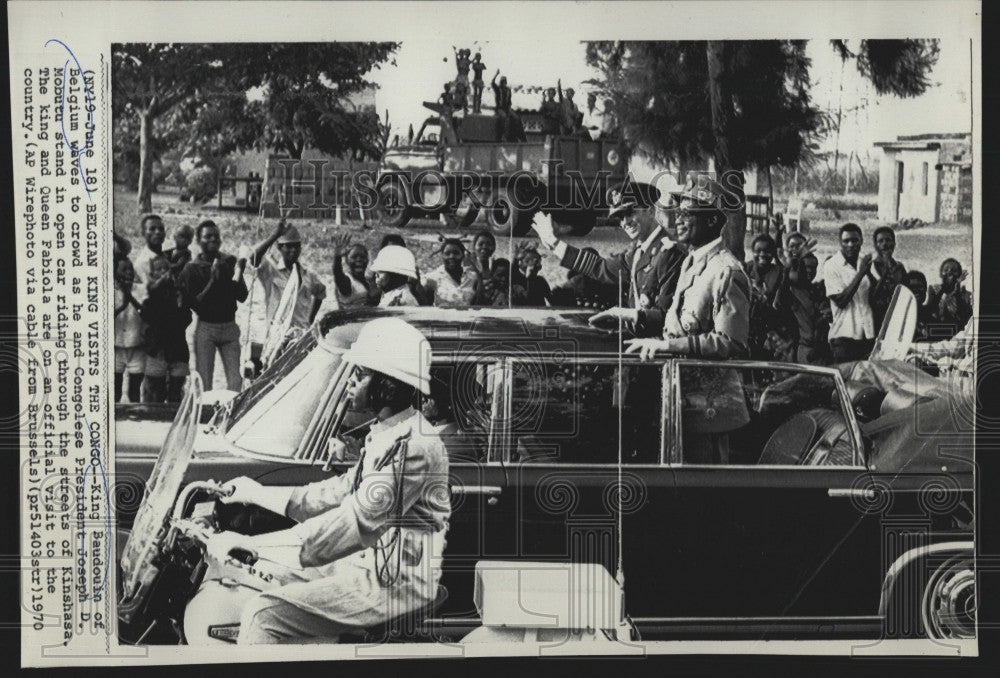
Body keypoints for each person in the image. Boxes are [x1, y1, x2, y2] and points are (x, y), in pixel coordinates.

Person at [207, 318, 450, 644]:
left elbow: (358, 521)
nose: (351, 380)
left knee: (264, 614)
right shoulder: (389, 432)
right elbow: (340, 492)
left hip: (395, 581)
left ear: (388, 386)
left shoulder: (413, 447)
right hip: (366, 564)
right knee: (251, 574)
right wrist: (257, 493)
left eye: (361, 374)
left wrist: (254, 543)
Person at [623, 175, 751, 360]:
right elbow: (677, 328)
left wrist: (668, 345)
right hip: (679, 379)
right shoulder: (690, 262)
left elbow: (731, 343)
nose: (678, 221)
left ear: (712, 220)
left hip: (711, 386)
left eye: (687, 214)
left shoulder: (727, 271)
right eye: (678, 214)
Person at [537, 185, 686, 337]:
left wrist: (624, 316)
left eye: (630, 213)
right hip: (639, 339)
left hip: (659, 346)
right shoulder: (637, 252)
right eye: (620, 217)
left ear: (650, 211)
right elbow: (600, 267)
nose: (625, 222)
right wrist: (555, 245)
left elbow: (668, 315)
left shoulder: (669, 252)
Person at [178, 220, 249, 391]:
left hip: (230, 327)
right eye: (207, 236)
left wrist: (238, 271)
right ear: (198, 241)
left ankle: (231, 416)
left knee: (235, 381)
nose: (213, 240)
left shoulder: (229, 261)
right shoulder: (192, 269)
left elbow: (242, 296)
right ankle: (204, 415)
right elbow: (195, 306)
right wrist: (213, 280)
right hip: (206, 328)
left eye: (216, 236)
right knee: (204, 382)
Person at [250, 220, 327, 330]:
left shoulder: (307, 275)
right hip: (277, 332)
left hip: (300, 334)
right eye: (289, 246)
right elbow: (253, 258)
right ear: (280, 247)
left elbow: (320, 292)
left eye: (297, 246)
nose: (293, 250)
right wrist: (275, 235)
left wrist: (310, 318)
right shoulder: (271, 271)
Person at [140, 256, 192, 402]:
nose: (164, 272)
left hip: (178, 350)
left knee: (176, 392)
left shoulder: (179, 293)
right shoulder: (150, 297)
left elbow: (186, 319)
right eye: (159, 269)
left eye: (166, 269)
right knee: (154, 394)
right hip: (157, 352)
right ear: (152, 275)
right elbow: (147, 315)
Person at [822, 223, 875, 363]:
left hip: (867, 335)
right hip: (844, 337)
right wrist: (861, 273)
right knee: (846, 381)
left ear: (861, 241)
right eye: (846, 241)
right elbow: (841, 301)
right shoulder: (832, 265)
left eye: (855, 240)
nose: (851, 244)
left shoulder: (864, 261)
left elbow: (872, 297)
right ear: (840, 242)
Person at [777, 251, 830, 364]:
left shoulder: (817, 291)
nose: (810, 271)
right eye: (806, 267)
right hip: (800, 349)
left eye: (813, 268)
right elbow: (780, 299)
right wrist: (786, 270)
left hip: (819, 350)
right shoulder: (791, 290)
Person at [744, 234, 786, 359]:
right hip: (747, 327)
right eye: (758, 251)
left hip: (770, 329)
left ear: (773, 254)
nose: (762, 255)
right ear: (752, 252)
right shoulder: (746, 269)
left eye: (767, 251)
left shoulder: (779, 272)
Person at [114, 257, 146, 403]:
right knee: (114, 389)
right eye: (124, 270)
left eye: (130, 269)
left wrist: (130, 298)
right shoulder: (109, 292)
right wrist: (121, 306)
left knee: (135, 391)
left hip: (137, 347)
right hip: (115, 348)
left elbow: (147, 314)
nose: (128, 273)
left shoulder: (141, 291)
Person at [868, 225, 907, 332]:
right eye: (880, 241)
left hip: (896, 319)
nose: (885, 244)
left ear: (894, 244)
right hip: (876, 320)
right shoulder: (869, 267)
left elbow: (906, 294)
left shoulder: (899, 268)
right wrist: (885, 273)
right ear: (876, 245)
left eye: (888, 240)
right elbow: (871, 298)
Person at [424, 237, 480, 307]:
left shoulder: (473, 278)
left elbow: (478, 304)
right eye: (447, 253)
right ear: (442, 256)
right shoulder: (432, 278)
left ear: (463, 255)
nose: (452, 256)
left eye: (456, 253)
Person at [926, 258, 973, 340]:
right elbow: (931, 310)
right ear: (941, 274)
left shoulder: (966, 294)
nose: (949, 272)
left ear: (959, 275)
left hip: (956, 335)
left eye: (954, 270)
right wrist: (943, 289)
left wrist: (957, 292)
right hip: (937, 334)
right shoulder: (934, 289)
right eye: (946, 270)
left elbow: (963, 317)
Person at [331, 232, 372, 309]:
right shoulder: (347, 282)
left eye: (362, 257)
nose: (359, 259)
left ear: (367, 260)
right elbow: (338, 275)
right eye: (354, 257)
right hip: (350, 320)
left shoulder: (369, 280)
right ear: (347, 261)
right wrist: (337, 257)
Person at [131, 214, 167, 285]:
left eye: (161, 229)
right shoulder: (142, 264)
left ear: (165, 234)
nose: (157, 232)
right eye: (152, 229)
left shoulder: (168, 255)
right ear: (143, 233)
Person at [904, 270, 935, 342]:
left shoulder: (930, 317)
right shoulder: (900, 316)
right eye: (912, 287)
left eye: (920, 287)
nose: (916, 290)